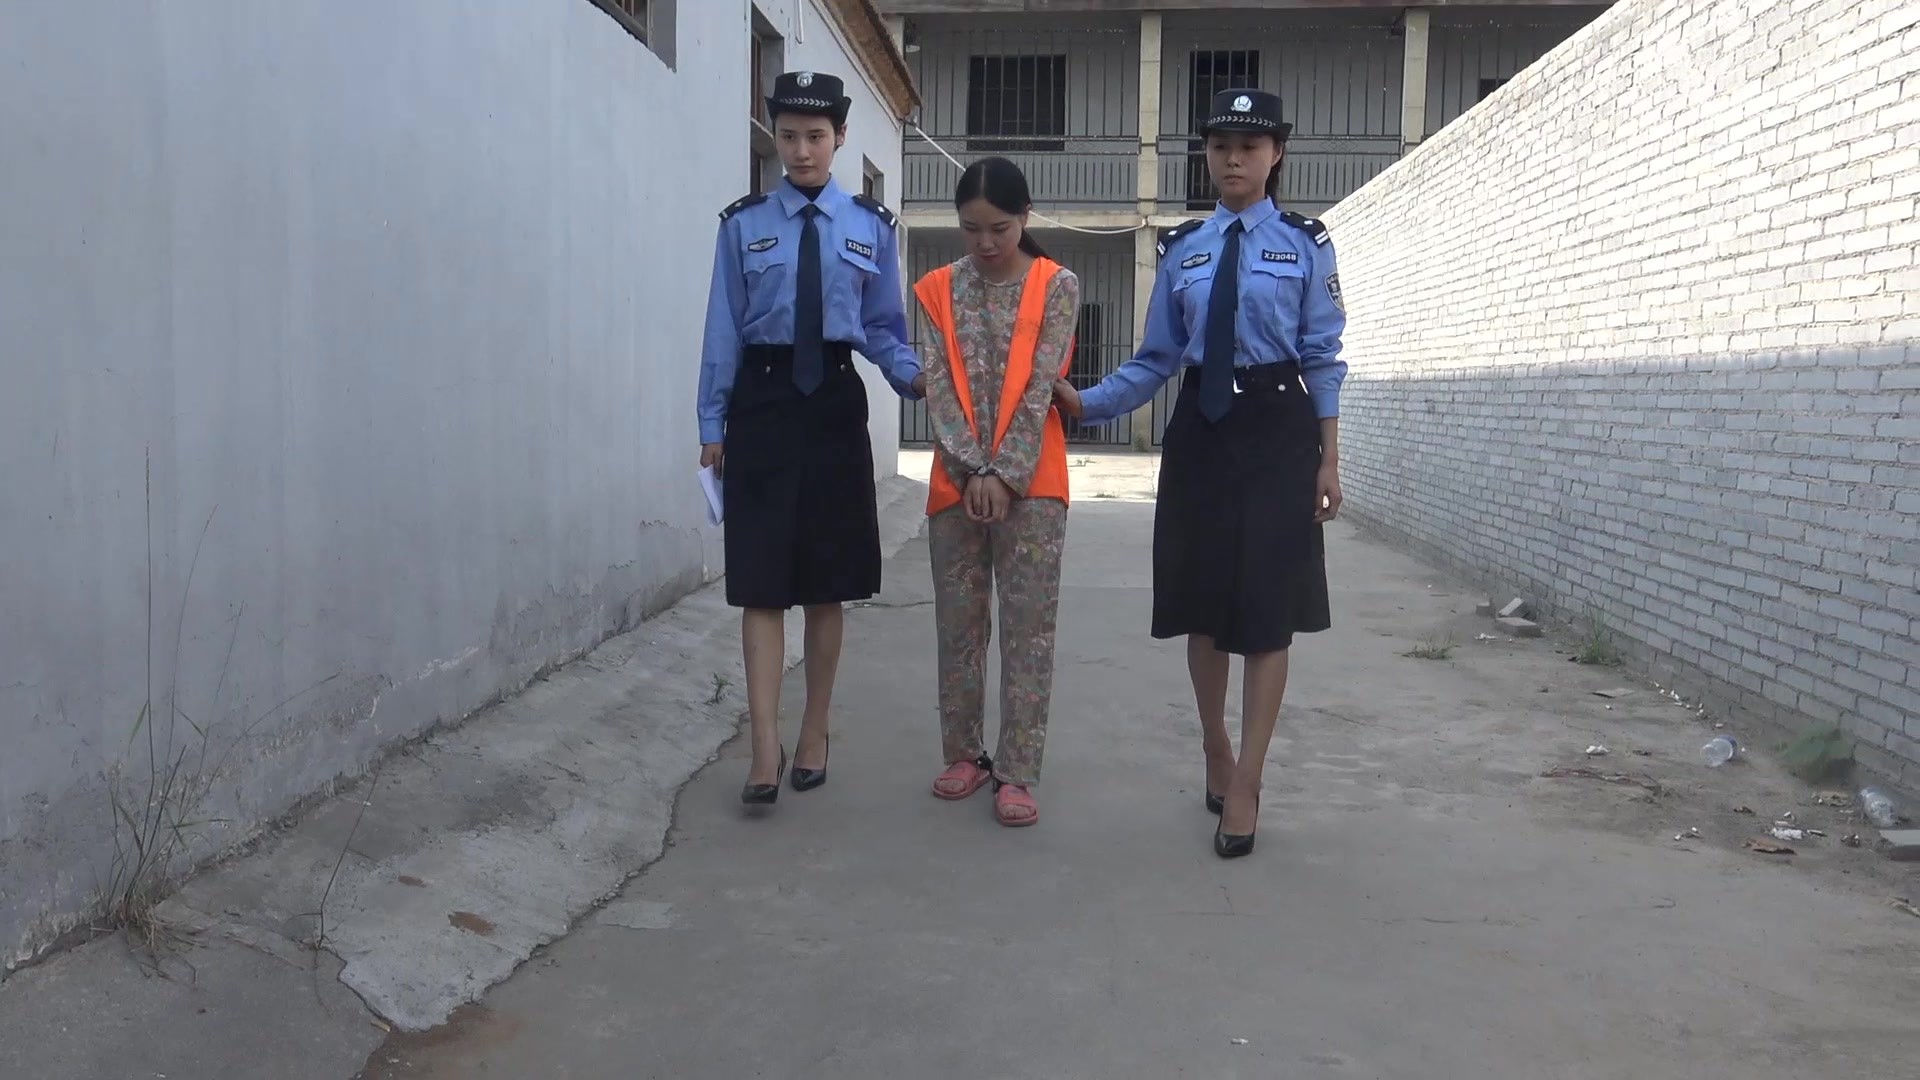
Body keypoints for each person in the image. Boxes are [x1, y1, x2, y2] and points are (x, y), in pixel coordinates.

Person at [1053, 89, 1347, 858]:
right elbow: (1156, 358)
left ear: (1276, 154)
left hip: (1279, 431)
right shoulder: (1182, 248)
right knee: (1205, 605)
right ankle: (1216, 744)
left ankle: (1248, 780)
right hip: (1201, 434)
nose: (1234, 159)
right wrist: (1086, 401)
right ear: (1207, 155)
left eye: (1249, 146)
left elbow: (1322, 356)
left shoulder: (1307, 243)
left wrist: (1330, 455)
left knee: (1267, 610)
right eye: (1220, 146)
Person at [698, 71, 925, 806]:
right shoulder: (742, 225)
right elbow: (723, 329)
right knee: (761, 582)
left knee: (827, 584)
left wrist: (915, 378)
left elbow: (883, 327)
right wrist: (711, 424)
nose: (801, 150)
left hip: (832, 402)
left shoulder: (870, 226)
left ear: (840, 138)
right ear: (775, 136)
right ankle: (764, 746)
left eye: (816, 137)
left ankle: (815, 729)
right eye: (790, 136)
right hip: (761, 405)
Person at [914, 158, 1080, 828]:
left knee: (1028, 632)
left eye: (999, 229)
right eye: (971, 229)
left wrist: (1004, 474)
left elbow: (1041, 386)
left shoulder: (1056, 286)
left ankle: (1016, 771)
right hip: (954, 484)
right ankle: (963, 754)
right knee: (958, 625)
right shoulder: (936, 289)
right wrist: (971, 470)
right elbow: (937, 386)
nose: (985, 242)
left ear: (1025, 219)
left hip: (1034, 485)